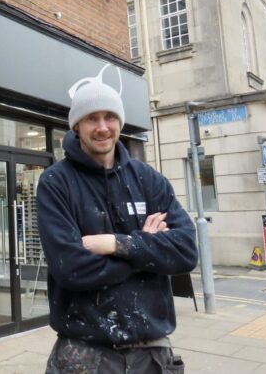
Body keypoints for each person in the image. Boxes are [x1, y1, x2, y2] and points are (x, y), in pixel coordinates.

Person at [37, 66, 197, 374]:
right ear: (76, 126)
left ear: (120, 122)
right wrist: (147, 247)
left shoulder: (148, 180)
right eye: (91, 118)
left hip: (153, 355)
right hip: (84, 356)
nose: (102, 127)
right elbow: (71, 269)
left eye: (110, 117)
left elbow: (186, 251)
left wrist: (117, 244)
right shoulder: (56, 182)